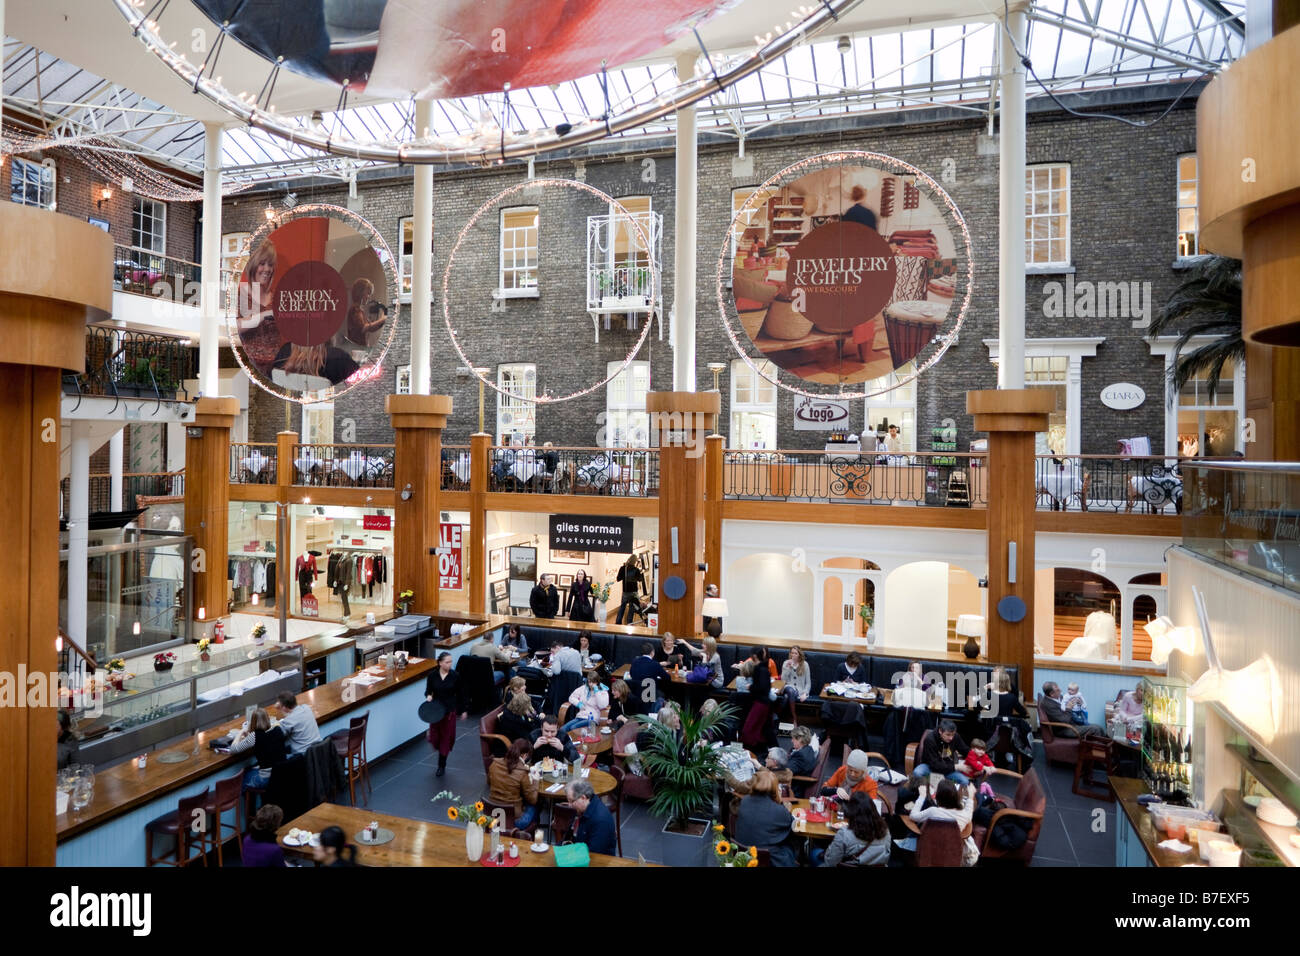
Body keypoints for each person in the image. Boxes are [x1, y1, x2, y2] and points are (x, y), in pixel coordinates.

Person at [734, 770, 798, 867]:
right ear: (775, 787)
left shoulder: (745, 801)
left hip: (743, 855)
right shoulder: (778, 810)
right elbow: (792, 824)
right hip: (769, 860)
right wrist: (782, 805)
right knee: (791, 842)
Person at [909, 779, 978, 866]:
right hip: (951, 853)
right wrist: (971, 796)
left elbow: (913, 816)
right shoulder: (964, 815)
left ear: (938, 797)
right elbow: (969, 809)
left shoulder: (932, 811)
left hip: (927, 851)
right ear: (955, 796)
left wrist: (922, 796)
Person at [235, 239, 279, 372]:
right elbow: (236, 326)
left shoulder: (276, 296)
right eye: (262, 264)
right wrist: (265, 315)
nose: (267, 269)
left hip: (276, 367)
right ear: (253, 265)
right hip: (251, 366)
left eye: (270, 265)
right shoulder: (242, 294)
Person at [424, 652, 469, 777]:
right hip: (436, 710)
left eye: (451, 661)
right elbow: (428, 690)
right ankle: (432, 738)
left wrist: (463, 709)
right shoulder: (432, 676)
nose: (450, 664)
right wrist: (428, 696)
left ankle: (441, 765)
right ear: (440, 663)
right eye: (447, 662)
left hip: (449, 710)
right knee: (435, 738)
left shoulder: (455, 676)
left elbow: (462, 694)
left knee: (446, 738)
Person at [818, 791, 891, 867]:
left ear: (851, 812)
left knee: (815, 853)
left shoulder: (844, 833)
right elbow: (886, 857)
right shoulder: (885, 830)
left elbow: (830, 862)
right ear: (873, 809)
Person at [229, 706, 288, 789]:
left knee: (241, 780)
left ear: (253, 722)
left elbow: (233, 749)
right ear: (268, 718)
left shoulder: (255, 736)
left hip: (267, 778)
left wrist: (240, 732)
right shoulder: (277, 728)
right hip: (282, 773)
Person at [488, 738, 540, 830]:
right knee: (534, 806)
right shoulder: (522, 772)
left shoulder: (494, 764)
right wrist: (536, 780)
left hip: (493, 814)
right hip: (514, 821)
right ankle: (530, 836)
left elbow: (489, 782)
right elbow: (533, 799)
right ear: (525, 755)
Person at [566, 779, 617, 856]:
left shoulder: (601, 821)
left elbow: (593, 854)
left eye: (571, 801)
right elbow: (569, 836)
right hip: (579, 853)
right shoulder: (581, 810)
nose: (569, 805)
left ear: (583, 798)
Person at [739, 646, 776, 751]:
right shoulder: (763, 668)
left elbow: (762, 688)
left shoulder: (760, 669)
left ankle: (748, 751)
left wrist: (751, 687)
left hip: (761, 703)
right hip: (763, 703)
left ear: (754, 656)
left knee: (749, 728)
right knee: (765, 728)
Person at [914, 718, 972, 785]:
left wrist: (980, 762)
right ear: (940, 731)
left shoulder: (955, 736)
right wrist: (957, 767)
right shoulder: (930, 740)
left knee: (965, 781)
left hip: (948, 768)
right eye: (948, 735)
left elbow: (965, 750)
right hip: (931, 768)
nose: (951, 738)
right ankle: (938, 783)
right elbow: (935, 764)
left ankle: (938, 781)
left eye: (953, 734)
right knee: (917, 773)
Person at [1040, 681, 1106, 738]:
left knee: (1099, 728)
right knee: (1095, 729)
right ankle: (1095, 751)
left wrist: (1079, 704)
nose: (1061, 690)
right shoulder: (1048, 705)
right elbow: (1064, 720)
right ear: (1051, 694)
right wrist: (1069, 708)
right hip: (1064, 729)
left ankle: (1105, 748)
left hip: (1072, 723)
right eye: (1058, 690)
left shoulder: (1059, 697)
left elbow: (1070, 707)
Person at [627, 642, 672, 715]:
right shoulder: (655, 664)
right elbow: (667, 678)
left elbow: (632, 674)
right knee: (662, 694)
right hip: (649, 695)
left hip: (636, 694)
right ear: (652, 653)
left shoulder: (635, 662)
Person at [275, 691, 322, 755]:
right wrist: (282, 708)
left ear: (284, 707)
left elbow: (280, 734)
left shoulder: (288, 721)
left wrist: (281, 710)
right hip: (320, 748)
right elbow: (293, 716)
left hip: (304, 755)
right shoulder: (306, 707)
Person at [779, 645, 812, 720]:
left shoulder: (805, 664)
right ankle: (794, 717)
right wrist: (788, 668)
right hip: (787, 687)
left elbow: (808, 683)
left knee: (786, 697)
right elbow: (783, 680)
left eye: (795, 653)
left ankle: (780, 718)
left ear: (799, 655)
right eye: (792, 653)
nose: (793, 655)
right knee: (790, 690)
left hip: (799, 690)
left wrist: (805, 693)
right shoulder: (786, 663)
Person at [614, 555, 646, 625]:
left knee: (622, 607)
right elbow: (640, 579)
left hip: (625, 592)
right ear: (635, 561)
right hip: (634, 592)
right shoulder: (636, 570)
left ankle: (618, 622)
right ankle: (629, 623)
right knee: (631, 608)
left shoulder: (623, 568)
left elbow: (618, 579)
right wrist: (641, 573)